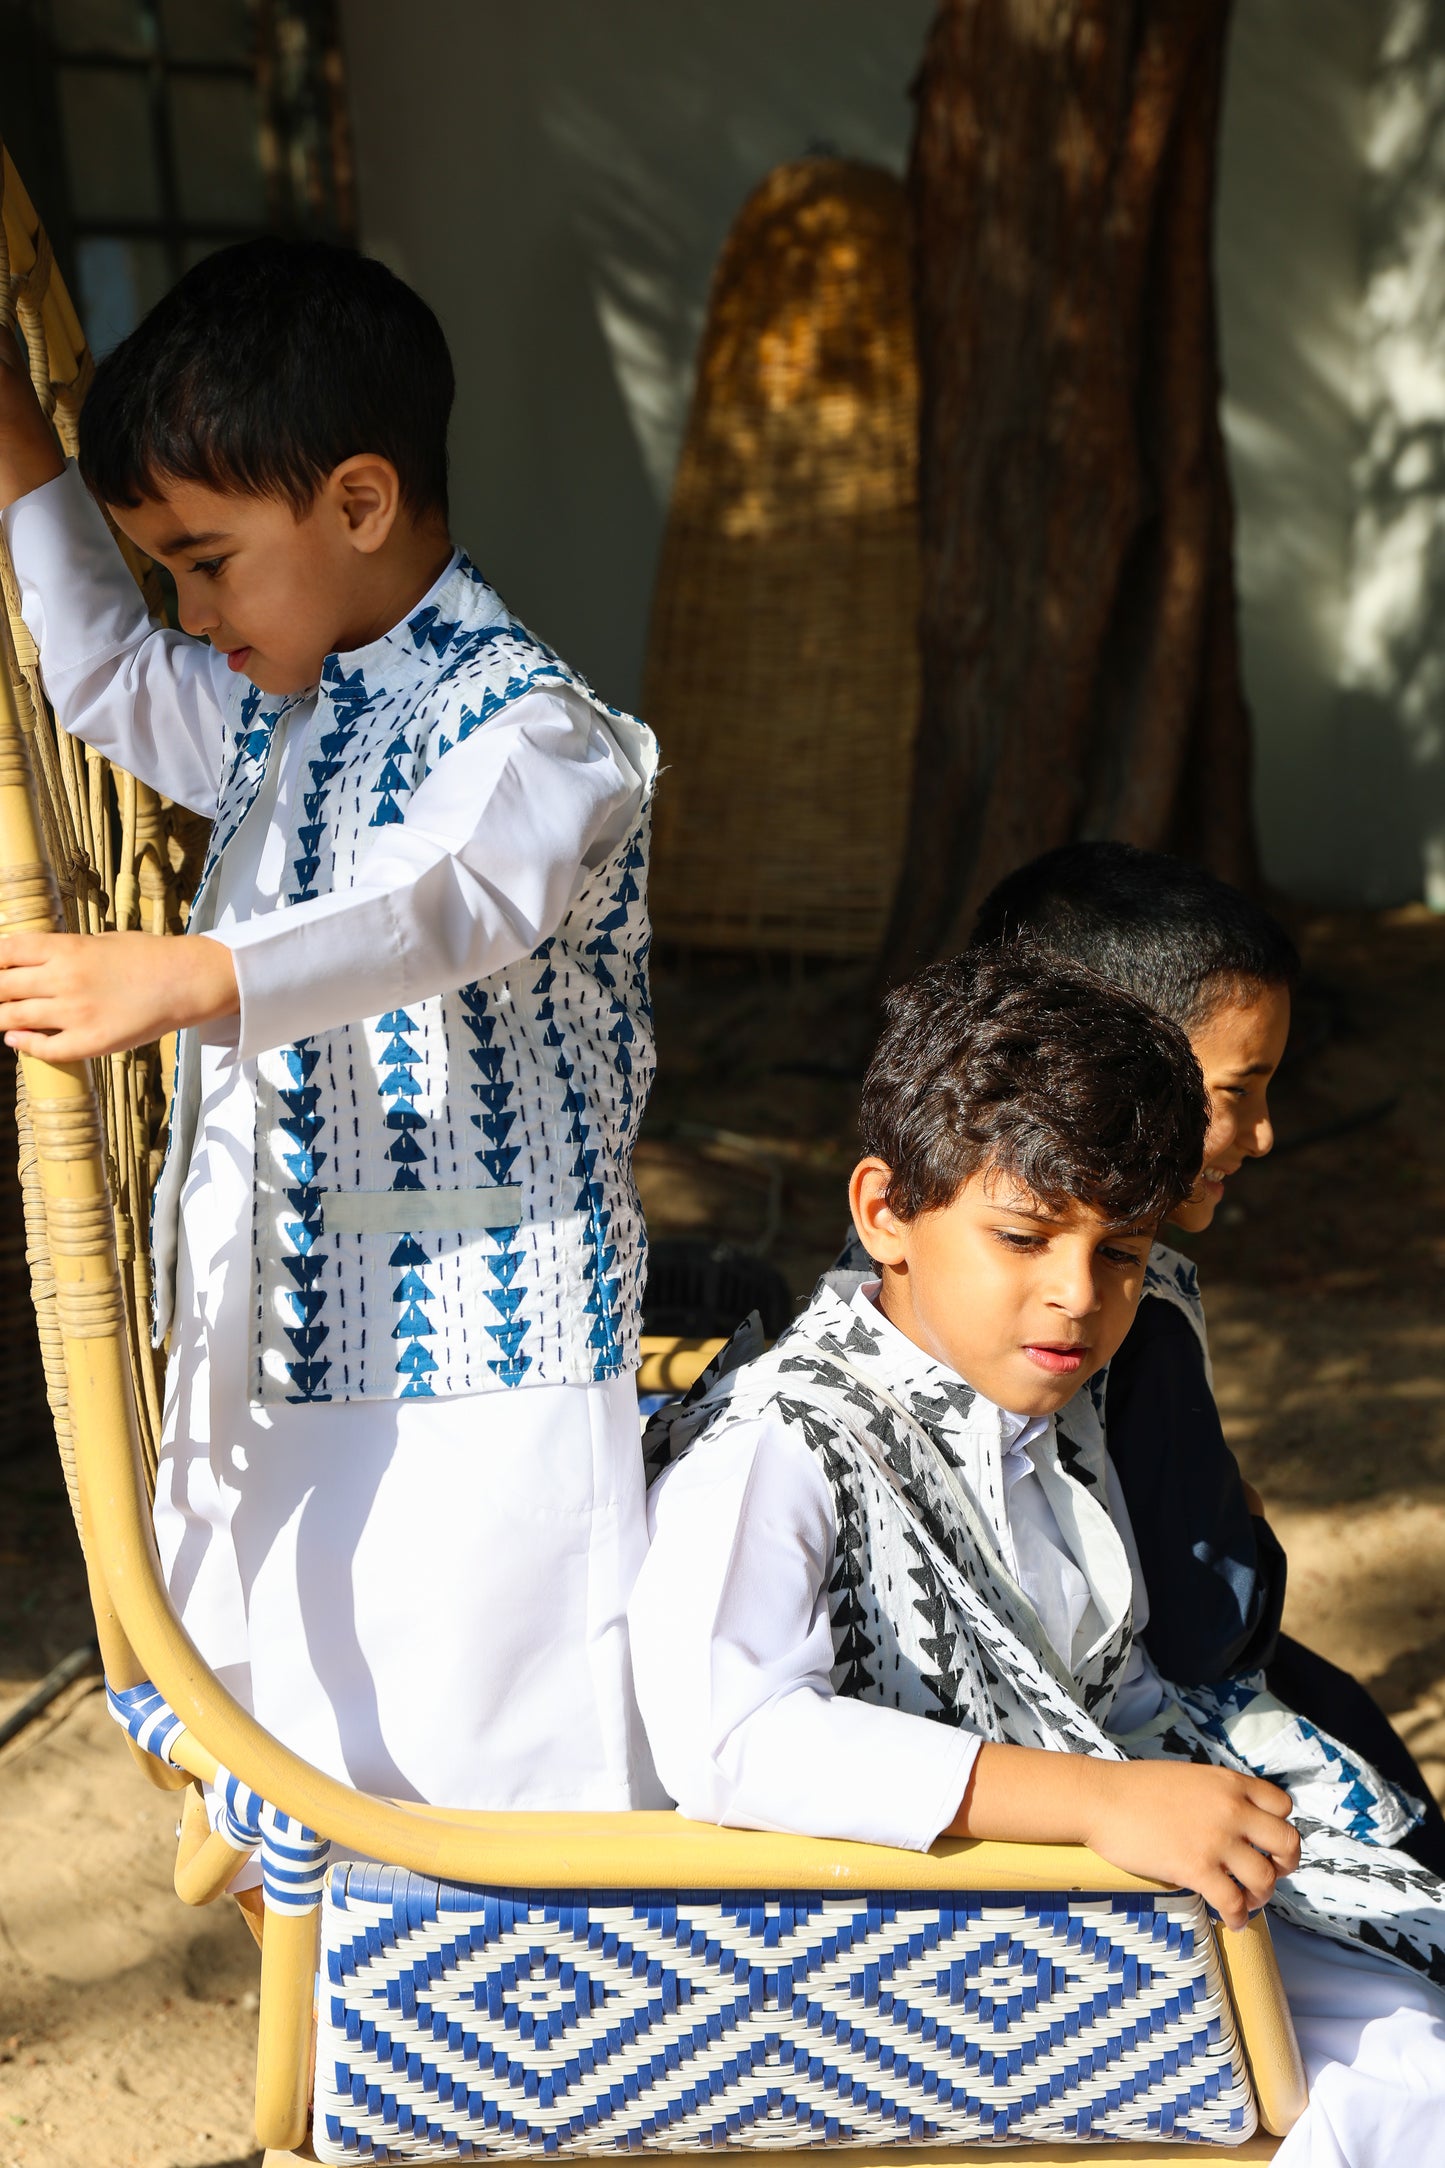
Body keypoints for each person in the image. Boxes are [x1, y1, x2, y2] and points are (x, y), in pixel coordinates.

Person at [0, 239, 665, 1887]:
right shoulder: (276, 706)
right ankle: (360, 2017)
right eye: (171, 569)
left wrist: (196, 972)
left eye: (210, 561)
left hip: (478, 1351)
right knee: (307, 1694)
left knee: (492, 1753)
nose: (190, 611)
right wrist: (19, 445)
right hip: (290, 1329)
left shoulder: (536, 735)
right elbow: (93, 667)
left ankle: (537, 2080)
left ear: (361, 504)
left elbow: (443, 903)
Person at [629, 950, 1445, 2167]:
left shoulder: (1047, 1407)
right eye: (1023, 1236)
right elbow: (736, 1736)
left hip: (1132, 1892)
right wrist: (1100, 1798)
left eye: (1119, 1253)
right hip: (945, 1945)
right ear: (882, 1212)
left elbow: (1101, 1680)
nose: (1075, 1294)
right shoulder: (781, 1442)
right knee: (1413, 2084)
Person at [970, 840, 1445, 1874]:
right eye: (1240, 1089)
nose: (1263, 1132)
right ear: (1111, 1067)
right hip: (1124, 1762)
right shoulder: (1123, 1307)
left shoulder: (905, 1272)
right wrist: (1243, 1527)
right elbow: (1202, 1625)